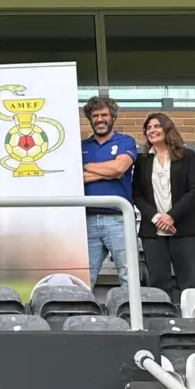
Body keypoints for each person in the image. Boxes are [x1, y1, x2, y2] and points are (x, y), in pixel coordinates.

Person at [133, 113, 195, 298]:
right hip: (153, 231)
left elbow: (194, 191)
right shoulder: (142, 160)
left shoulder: (187, 156)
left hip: (184, 227)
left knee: (189, 282)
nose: (151, 130)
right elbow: (137, 195)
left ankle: (191, 322)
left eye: (156, 126)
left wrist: (171, 216)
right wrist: (157, 218)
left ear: (167, 128)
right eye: (148, 128)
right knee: (158, 283)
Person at [82, 96, 137, 287]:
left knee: (128, 273)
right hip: (86, 220)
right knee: (84, 277)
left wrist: (88, 167)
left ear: (112, 116)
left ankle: (131, 314)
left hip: (118, 218)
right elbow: (77, 178)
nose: (99, 119)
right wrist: (109, 172)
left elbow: (119, 168)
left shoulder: (126, 141)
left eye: (104, 114)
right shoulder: (81, 146)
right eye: (95, 115)